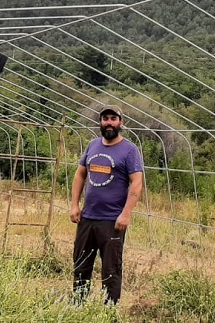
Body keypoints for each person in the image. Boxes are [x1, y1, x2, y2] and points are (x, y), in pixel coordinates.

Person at [70, 104, 144, 305]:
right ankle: (78, 304)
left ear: (121, 122)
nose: (109, 122)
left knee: (111, 269)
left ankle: (108, 311)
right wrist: (75, 205)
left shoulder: (129, 150)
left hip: (112, 220)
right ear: (100, 122)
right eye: (105, 119)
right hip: (87, 218)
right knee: (81, 265)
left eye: (113, 118)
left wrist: (126, 214)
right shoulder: (93, 145)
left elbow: (137, 182)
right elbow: (80, 174)